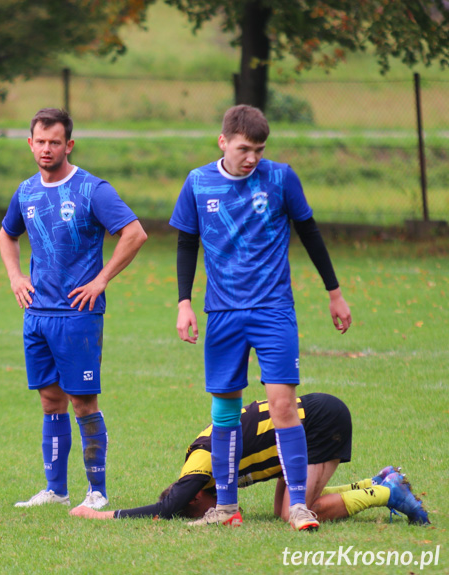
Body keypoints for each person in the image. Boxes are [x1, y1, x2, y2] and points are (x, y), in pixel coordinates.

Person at [169, 104, 352, 531]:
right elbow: (185, 244)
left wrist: (334, 293)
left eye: (259, 149)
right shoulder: (198, 183)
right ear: (223, 142)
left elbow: (310, 232)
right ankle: (227, 508)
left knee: (284, 404)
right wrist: (183, 303)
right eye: (244, 148)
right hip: (223, 314)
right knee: (225, 411)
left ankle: (301, 506)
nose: (252, 157)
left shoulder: (280, 177)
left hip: (273, 311)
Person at [0, 108, 147, 510]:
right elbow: (6, 233)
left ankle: (97, 491)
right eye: (40, 142)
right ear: (30, 143)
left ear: (69, 145)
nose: (46, 149)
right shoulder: (26, 191)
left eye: (55, 142)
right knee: (50, 399)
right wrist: (15, 277)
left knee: (83, 401)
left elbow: (134, 234)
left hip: (78, 315)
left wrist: (101, 281)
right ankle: (56, 489)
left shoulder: (92, 189)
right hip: (37, 314)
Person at [69, 393, 430, 525]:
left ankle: (389, 494)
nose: (213, 509)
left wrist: (101, 515)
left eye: (204, 510)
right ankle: (374, 482)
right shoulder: (200, 470)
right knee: (281, 510)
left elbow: (170, 506)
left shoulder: (200, 466)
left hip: (318, 423)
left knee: (295, 512)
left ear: (196, 494)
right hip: (307, 421)